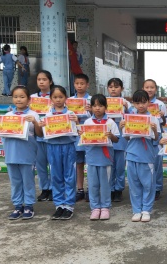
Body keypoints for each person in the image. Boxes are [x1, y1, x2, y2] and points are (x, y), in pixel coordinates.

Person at [0, 85, 42, 220]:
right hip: (11, 154)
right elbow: (1, 133)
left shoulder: (33, 115)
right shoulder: (7, 116)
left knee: (28, 180)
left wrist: (35, 123)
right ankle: (18, 205)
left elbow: (39, 134)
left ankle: (29, 205)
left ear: (28, 99)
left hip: (27, 154)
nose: (18, 100)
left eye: (22, 97)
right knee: (15, 181)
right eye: (15, 97)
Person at [40, 85, 79, 220]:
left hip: (68, 147)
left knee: (69, 176)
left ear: (66, 98)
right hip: (52, 147)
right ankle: (59, 205)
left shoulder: (71, 114)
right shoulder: (48, 115)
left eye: (60, 97)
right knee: (56, 176)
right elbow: (43, 132)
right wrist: (42, 125)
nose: (58, 100)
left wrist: (76, 122)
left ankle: (69, 206)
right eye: (55, 97)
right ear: (51, 99)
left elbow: (77, 130)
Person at [123, 90, 160, 223]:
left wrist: (154, 129)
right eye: (137, 103)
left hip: (146, 155)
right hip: (132, 155)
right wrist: (123, 127)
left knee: (148, 184)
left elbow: (156, 139)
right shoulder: (129, 118)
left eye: (144, 102)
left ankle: (146, 210)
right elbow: (127, 137)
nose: (141, 105)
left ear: (148, 102)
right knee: (134, 185)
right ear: (133, 104)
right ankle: (136, 210)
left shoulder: (153, 119)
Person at [82, 94, 120, 221]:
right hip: (92, 158)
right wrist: (82, 134)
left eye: (100, 105)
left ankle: (105, 207)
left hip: (105, 158)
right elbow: (83, 139)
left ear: (106, 107)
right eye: (94, 106)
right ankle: (95, 207)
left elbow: (116, 139)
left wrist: (110, 136)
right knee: (92, 184)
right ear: (91, 107)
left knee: (105, 184)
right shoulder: (87, 122)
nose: (97, 108)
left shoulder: (110, 122)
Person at [107, 77, 132, 203]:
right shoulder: (104, 102)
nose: (113, 89)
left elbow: (134, 118)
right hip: (108, 136)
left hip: (121, 138)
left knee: (120, 166)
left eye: (116, 87)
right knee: (110, 165)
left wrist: (127, 109)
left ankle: (119, 189)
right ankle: (111, 188)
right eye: (111, 87)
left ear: (122, 88)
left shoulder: (126, 103)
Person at [142, 79, 167, 200]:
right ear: (143, 88)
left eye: (152, 87)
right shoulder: (138, 103)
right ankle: (146, 187)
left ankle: (157, 187)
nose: (149, 89)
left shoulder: (160, 104)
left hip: (156, 136)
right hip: (143, 137)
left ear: (156, 89)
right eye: (147, 87)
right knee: (145, 164)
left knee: (157, 163)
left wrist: (162, 116)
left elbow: (164, 122)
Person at [31, 70, 54, 202]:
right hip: (38, 135)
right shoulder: (32, 98)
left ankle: (54, 188)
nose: (41, 82)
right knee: (40, 164)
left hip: (52, 135)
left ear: (50, 81)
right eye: (39, 79)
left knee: (53, 164)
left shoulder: (56, 96)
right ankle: (45, 189)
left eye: (44, 79)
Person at [72, 73, 92, 203]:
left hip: (90, 135)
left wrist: (91, 110)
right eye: (77, 83)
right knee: (79, 163)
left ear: (87, 85)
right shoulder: (69, 101)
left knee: (90, 163)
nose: (79, 86)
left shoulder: (92, 100)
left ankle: (91, 189)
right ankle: (80, 189)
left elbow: (99, 116)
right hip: (76, 135)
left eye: (82, 83)